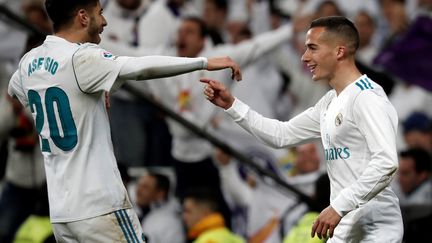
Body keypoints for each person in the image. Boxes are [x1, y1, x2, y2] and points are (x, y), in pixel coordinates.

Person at [7, 0, 242, 242]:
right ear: (83, 17)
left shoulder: (28, 63)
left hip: (61, 212)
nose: (105, 21)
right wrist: (203, 62)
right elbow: (141, 68)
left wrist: (88, 97)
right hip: (99, 205)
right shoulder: (81, 58)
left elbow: (16, 90)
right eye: (99, 13)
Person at [201, 16, 403, 242]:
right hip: (345, 227)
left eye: (312, 48)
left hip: (375, 227)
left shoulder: (367, 97)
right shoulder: (329, 102)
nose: (305, 57)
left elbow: (386, 162)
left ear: (339, 52)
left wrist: (337, 207)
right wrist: (232, 105)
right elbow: (282, 135)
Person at [135, 172, 185, 243]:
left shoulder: (170, 222)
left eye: (145, 187)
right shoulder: (136, 212)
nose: (138, 190)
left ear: (160, 193)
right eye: (139, 185)